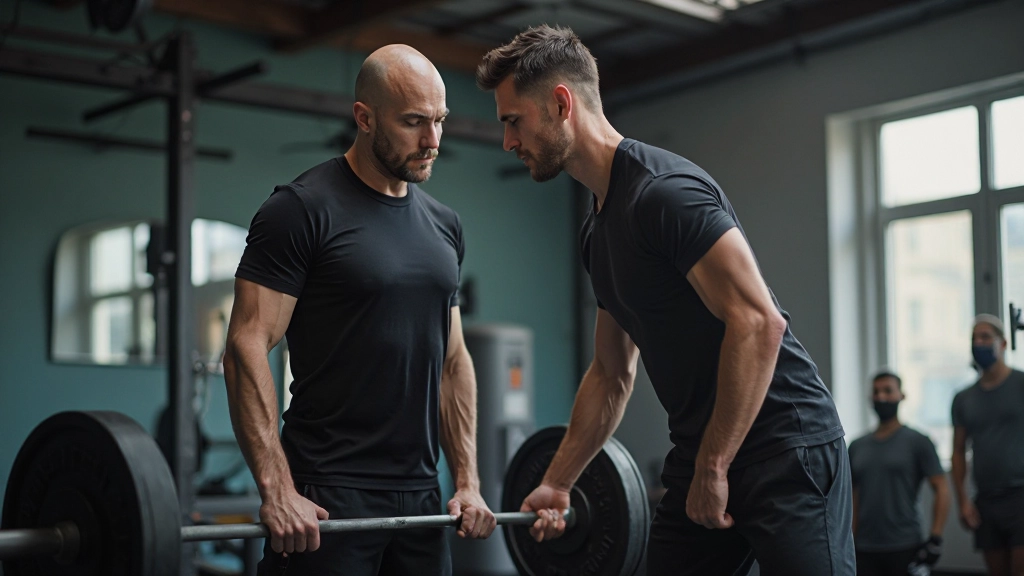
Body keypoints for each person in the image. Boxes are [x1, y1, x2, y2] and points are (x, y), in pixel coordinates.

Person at [475, 24, 854, 576]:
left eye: (514, 121)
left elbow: (756, 322)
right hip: (702, 452)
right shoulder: (597, 232)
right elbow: (610, 372)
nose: (509, 141)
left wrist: (715, 465)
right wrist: (557, 482)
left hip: (784, 448)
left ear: (560, 104)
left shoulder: (664, 193)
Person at [222, 44, 496, 576]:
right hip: (325, 499)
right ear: (364, 118)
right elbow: (245, 344)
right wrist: (278, 490)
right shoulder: (300, 210)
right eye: (414, 122)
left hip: (422, 497)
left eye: (439, 121)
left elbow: (453, 361)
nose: (432, 141)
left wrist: (467, 481)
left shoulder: (446, 226)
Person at [848, 371, 949, 576]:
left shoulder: (918, 441)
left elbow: (941, 488)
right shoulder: (857, 446)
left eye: (888, 391)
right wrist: (848, 540)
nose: (881, 397)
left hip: (905, 545)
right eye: (876, 392)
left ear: (902, 396)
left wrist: (935, 538)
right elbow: (852, 497)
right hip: (864, 547)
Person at [951, 314, 1024, 576]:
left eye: (985, 337)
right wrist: (963, 501)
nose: (978, 343)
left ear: (1003, 343)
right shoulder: (964, 398)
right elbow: (958, 452)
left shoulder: (1020, 383)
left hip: (1020, 495)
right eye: (974, 338)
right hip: (986, 499)